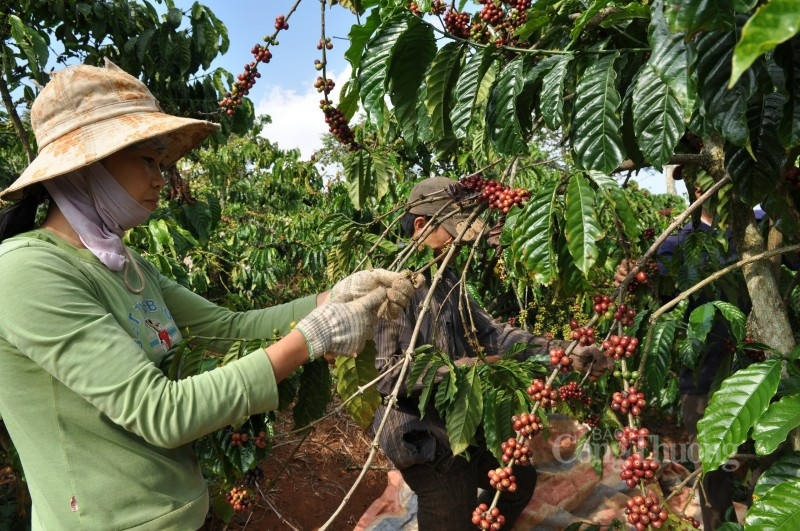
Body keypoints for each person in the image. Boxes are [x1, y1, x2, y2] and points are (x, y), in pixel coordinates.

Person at [0, 60, 416, 530]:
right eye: (146, 160)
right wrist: (311, 340)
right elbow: (160, 411)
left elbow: (226, 328)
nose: (161, 179)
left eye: (161, 163)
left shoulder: (128, 265)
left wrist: (331, 300)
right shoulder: (26, 271)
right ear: (87, 164)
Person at [371, 177, 607, 530]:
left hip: (463, 417)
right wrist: (463, 368)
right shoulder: (391, 289)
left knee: (518, 481)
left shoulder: (448, 279)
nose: (461, 245)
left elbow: (493, 333)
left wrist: (565, 351)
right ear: (421, 227)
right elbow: (390, 375)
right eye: (454, 233)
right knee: (453, 505)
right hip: (424, 435)